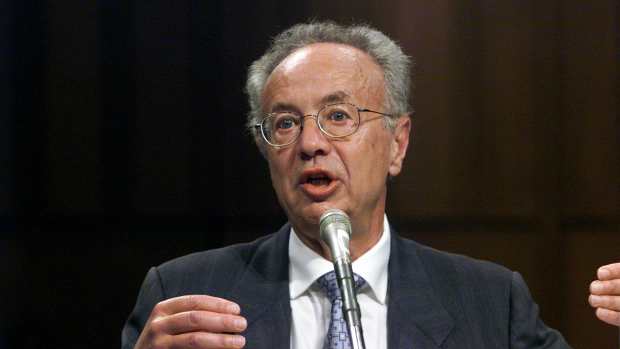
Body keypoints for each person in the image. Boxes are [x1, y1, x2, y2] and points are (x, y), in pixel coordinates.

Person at [122, 21, 620, 349]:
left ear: (397, 144)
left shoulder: (490, 304)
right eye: (285, 123)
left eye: (339, 116)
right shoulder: (187, 295)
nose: (310, 142)